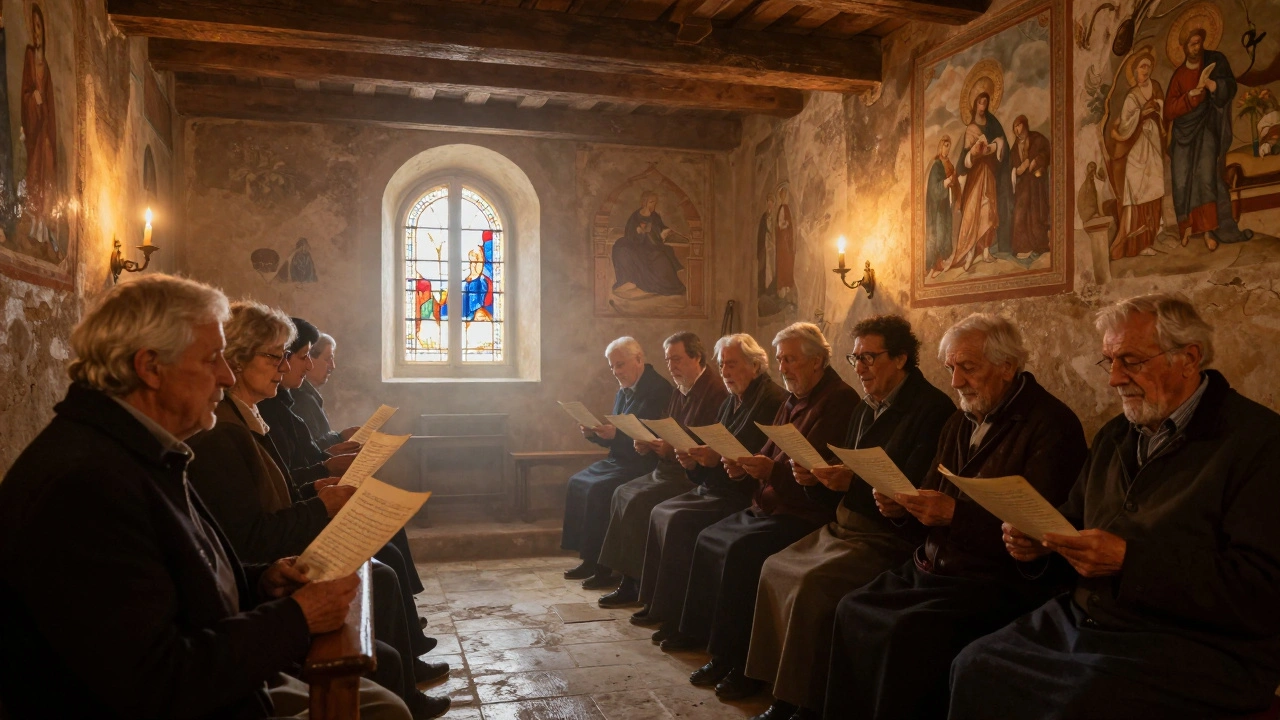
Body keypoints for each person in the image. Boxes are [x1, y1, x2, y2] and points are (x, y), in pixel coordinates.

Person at [0, 274, 408, 719]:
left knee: (381, 702)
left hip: (218, 678)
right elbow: (156, 680)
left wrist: (260, 580)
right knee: (383, 711)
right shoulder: (85, 485)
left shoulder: (139, 450)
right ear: (150, 367)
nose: (227, 375)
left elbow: (182, 575)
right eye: (212, 359)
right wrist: (295, 618)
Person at [951, 294, 1280, 718]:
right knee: (974, 664)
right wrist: (1040, 544)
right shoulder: (1115, 436)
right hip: (1091, 619)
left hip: (1195, 642)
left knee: (1075, 703)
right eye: (1109, 361)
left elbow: (1261, 590)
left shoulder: (1258, 443)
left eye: (1131, 361)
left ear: (1188, 358)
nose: (1114, 379)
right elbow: (1073, 520)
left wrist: (1129, 561)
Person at [187, 303, 449, 720]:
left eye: (286, 356)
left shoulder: (249, 417)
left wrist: (313, 490)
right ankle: (406, 671)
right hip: (260, 598)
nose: (289, 366)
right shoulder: (222, 434)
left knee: (381, 558)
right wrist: (318, 501)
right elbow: (246, 537)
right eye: (276, 356)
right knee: (379, 578)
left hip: (266, 577)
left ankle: (408, 656)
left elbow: (272, 494)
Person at [824, 313, 1087, 720]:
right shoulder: (958, 422)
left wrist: (954, 517)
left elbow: (1039, 531)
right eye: (950, 368)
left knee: (902, 631)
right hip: (934, 565)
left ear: (1007, 367)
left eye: (968, 368)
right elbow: (930, 493)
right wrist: (903, 509)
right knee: (852, 607)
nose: (956, 382)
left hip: (991, 578)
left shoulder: (1051, 425)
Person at [745, 316, 954, 720]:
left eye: (869, 358)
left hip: (885, 535)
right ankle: (775, 687)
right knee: (774, 567)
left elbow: (913, 486)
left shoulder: (931, 409)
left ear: (901, 359)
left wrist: (850, 484)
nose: (859, 368)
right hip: (844, 524)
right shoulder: (864, 407)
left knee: (811, 585)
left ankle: (804, 702)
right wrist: (814, 480)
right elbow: (844, 476)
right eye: (855, 358)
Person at [679, 323, 859, 701]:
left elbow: (816, 471)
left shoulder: (839, 400)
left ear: (817, 361)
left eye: (790, 359)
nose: (783, 368)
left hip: (801, 512)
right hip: (768, 503)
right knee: (709, 537)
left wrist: (769, 471)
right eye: (780, 360)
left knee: (741, 553)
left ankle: (744, 665)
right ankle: (716, 648)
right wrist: (745, 466)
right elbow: (768, 450)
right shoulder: (791, 399)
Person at [636, 334, 787, 642]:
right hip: (717, 485)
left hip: (741, 494)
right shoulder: (732, 399)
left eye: (732, 364)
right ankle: (663, 607)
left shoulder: (772, 399)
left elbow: (758, 456)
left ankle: (686, 621)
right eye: (722, 365)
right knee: (661, 511)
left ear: (755, 365)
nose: (725, 372)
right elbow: (717, 446)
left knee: (680, 521)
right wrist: (695, 462)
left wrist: (715, 459)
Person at [596, 332, 728, 608]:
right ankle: (623, 575)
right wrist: (650, 442)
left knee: (637, 500)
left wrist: (668, 447)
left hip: (689, 475)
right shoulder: (681, 389)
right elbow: (667, 428)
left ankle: (636, 583)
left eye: (677, 359)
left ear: (697, 357)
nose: (671, 367)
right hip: (667, 468)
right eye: (668, 360)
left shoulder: (715, 391)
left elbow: (707, 442)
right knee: (622, 492)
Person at [562, 337, 674, 587]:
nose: (616, 372)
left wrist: (615, 435)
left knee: (599, 490)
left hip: (642, 463)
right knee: (578, 482)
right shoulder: (624, 388)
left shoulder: (658, 389)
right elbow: (617, 434)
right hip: (619, 459)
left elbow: (649, 434)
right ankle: (589, 558)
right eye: (612, 366)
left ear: (639, 359)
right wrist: (596, 434)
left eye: (620, 365)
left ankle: (604, 568)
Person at [1165, 27, 1253, 250]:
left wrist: (1213, 85)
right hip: (1182, 135)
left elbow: (1229, 86)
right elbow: (1168, 110)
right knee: (1182, 181)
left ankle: (1208, 231)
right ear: (1184, 47)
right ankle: (1186, 228)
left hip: (1206, 127)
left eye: (1199, 42)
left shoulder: (1214, 61)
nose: (1197, 47)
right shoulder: (1178, 75)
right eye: (1192, 44)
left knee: (1205, 176)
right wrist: (1189, 97)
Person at [1109, 48, 1166, 259]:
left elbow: (1163, 111)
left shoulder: (1156, 87)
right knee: (1135, 192)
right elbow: (1125, 125)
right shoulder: (1131, 96)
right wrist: (1142, 113)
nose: (1146, 70)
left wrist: (1157, 107)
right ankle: (1132, 243)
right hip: (1135, 148)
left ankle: (1148, 240)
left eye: (1148, 66)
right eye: (1142, 66)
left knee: (1153, 189)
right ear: (1135, 71)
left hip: (1152, 145)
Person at [950, 90, 1013, 270]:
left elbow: (1002, 145)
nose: (982, 106)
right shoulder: (970, 129)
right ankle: (970, 252)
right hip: (976, 176)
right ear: (974, 104)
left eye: (985, 103)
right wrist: (973, 153)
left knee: (988, 211)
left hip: (989, 173)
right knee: (972, 213)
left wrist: (994, 146)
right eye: (980, 102)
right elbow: (965, 159)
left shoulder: (993, 124)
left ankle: (985, 250)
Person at [610, 191, 686, 296]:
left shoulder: (655, 216)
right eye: (651, 202)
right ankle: (628, 282)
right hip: (638, 245)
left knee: (663, 255)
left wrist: (665, 231)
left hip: (653, 245)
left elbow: (660, 227)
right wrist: (639, 232)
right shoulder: (635, 216)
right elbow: (630, 234)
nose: (653, 205)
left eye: (655, 202)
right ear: (644, 202)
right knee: (620, 247)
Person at [293, 331, 358, 450]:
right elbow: (311, 450)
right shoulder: (300, 399)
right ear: (309, 359)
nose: (332, 366)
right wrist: (340, 437)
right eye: (328, 359)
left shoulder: (309, 395)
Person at [1010, 115, 1052, 259]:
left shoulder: (1037, 138)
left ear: (1025, 125)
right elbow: (1012, 165)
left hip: (1035, 185)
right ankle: (1022, 247)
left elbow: (1046, 153)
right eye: (1014, 127)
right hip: (1022, 186)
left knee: (1036, 215)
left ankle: (1040, 246)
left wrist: (1034, 162)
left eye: (1018, 125)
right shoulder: (1014, 148)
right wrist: (1017, 170)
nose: (1017, 129)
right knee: (1020, 215)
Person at [926, 136, 959, 278]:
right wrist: (947, 182)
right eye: (945, 146)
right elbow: (934, 189)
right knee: (938, 233)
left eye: (949, 146)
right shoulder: (937, 166)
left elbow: (954, 184)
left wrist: (953, 183)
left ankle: (942, 261)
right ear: (940, 147)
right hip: (937, 207)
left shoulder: (949, 164)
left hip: (945, 204)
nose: (947, 149)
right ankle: (934, 266)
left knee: (945, 231)